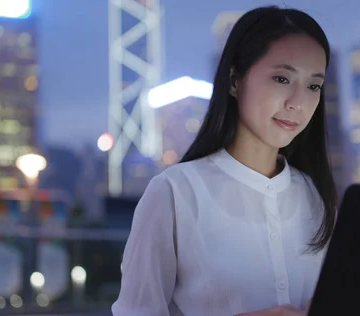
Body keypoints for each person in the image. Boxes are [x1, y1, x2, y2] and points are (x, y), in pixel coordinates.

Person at [112, 5, 338, 316]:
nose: (298, 103)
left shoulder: (317, 199)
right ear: (234, 81)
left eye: (313, 86)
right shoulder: (174, 193)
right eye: (282, 79)